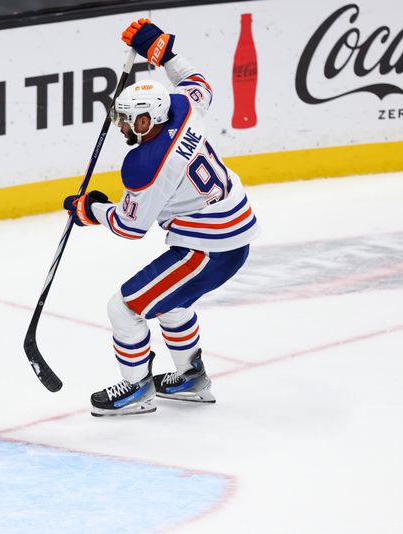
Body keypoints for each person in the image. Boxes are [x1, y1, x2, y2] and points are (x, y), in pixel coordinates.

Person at [64, 19, 260, 417]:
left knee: (125, 308)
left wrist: (91, 210)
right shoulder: (183, 107)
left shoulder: (147, 164)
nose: (120, 126)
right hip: (228, 233)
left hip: (207, 248)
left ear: (146, 121)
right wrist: (163, 52)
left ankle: (137, 389)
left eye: (126, 120)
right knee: (173, 302)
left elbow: (130, 225)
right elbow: (197, 81)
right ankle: (191, 379)